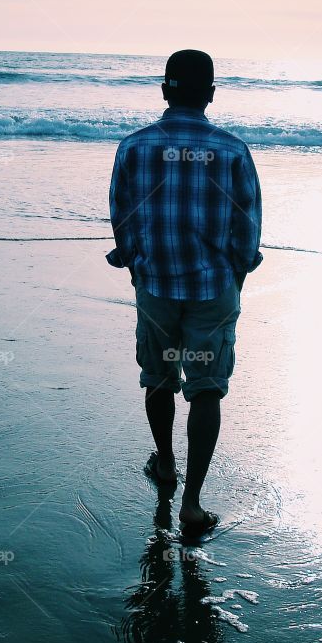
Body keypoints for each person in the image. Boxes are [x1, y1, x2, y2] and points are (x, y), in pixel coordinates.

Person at [106, 49, 263, 534]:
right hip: (213, 288)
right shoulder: (233, 150)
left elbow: (122, 217)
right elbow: (248, 226)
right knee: (206, 389)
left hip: (156, 283)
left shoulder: (134, 147)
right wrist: (237, 272)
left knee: (158, 376)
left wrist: (134, 263)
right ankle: (192, 503)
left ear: (164, 91)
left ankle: (167, 463)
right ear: (210, 95)